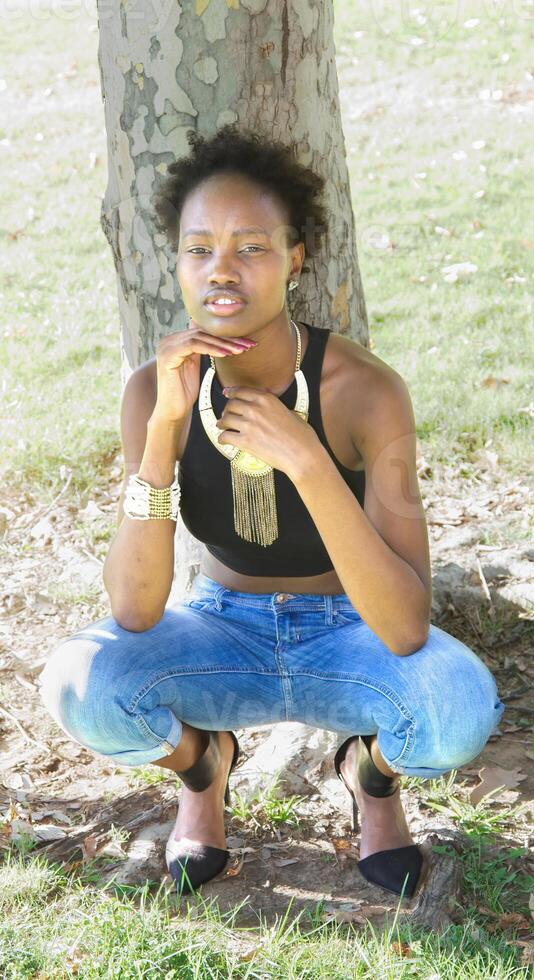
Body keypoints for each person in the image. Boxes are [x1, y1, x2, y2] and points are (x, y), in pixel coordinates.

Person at [39, 125, 505, 899]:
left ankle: (370, 777)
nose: (221, 269)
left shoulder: (364, 389)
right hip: (221, 629)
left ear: (295, 257)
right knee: (79, 684)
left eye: (251, 246)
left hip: (350, 634)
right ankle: (203, 768)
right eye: (199, 249)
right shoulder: (153, 391)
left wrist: (309, 460)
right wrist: (163, 431)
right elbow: (133, 606)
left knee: (458, 708)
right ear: (178, 262)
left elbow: (404, 627)